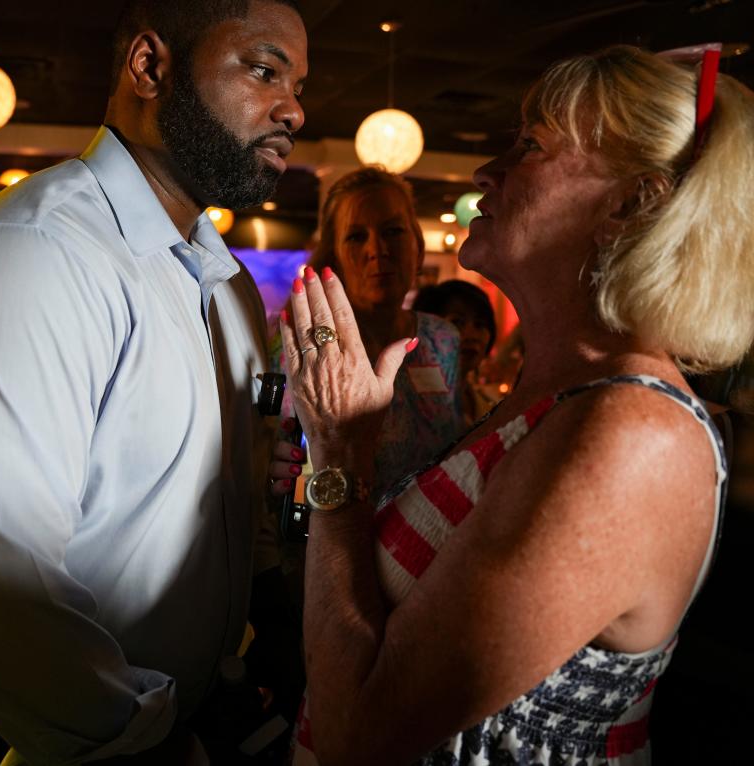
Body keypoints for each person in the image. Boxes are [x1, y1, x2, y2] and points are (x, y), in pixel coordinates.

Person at [278, 45, 754, 765]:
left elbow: (358, 738)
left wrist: (340, 453)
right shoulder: (560, 393)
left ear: (632, 204)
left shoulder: (634, 433)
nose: (484, 172)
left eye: (530, 145)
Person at [0, 1, 307, 764]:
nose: (294, 108)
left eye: (299, 83)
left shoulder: (227, 286)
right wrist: (153, 740)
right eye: (264, 70)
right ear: (149, 67)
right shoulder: (30, 254)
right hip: (25, 740)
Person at [271, 168, 463, 504]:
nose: (378, 249)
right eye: (356, 236)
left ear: (417, 248)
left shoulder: (443, 339)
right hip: (328, 539)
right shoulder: (301, 345)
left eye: (393, 231)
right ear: (335, 256)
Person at [413, 279, 498, 425]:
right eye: (457, 322)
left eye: (480, 324)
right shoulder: (409, 399)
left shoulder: (488, 406)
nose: (471, 336)